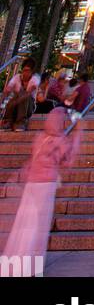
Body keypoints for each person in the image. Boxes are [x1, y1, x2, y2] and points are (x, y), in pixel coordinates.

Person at [3, 105, 81, 262]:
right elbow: (68, 161)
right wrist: (79, 132)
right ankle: (32, 263)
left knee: (24, 221)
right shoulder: (59, 141)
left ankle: (17, 257)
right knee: (39, 225)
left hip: (31, 182)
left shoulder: (40, 137)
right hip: (46, 185)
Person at [1, 59, 40, 130]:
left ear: (32, 72)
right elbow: (7, 90)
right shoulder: (17, 77)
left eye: (28, 71)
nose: (25, 73)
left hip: (28, 106)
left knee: (24, 96)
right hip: (15, 106)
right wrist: (2, 100)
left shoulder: (34, 79)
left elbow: (28, 93)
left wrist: (15, 102)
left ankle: (21, 122)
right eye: (24, 70)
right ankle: (8, 121)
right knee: (15, 96)